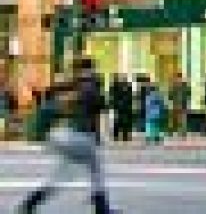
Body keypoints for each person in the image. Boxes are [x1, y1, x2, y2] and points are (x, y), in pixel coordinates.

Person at [16, 56, 112, 214]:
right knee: (94, 169)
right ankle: (101, 206)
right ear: (90, 69)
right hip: (81, 137)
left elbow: (51, 92)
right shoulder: (91, 86)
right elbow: (100, 106)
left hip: (65, 136)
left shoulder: (74, 84)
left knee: (66, 174)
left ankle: (30, 204)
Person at [108, 76, 132, 146]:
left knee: (120, 121)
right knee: (120, 121)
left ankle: (121, 136)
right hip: (121, 107)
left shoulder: (124, 88)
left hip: (122, 107)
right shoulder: (117, 88)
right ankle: (121, 136)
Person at [167, 69, 190, 138]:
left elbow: (187, 96)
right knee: (174, 117)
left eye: (178, 78)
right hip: (175, 104)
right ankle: (172, 131)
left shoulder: (184, 86)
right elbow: (170, 96)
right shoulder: (174, 86)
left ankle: (182, 132)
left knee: (181, 118)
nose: (177, 80)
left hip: (182, 105)